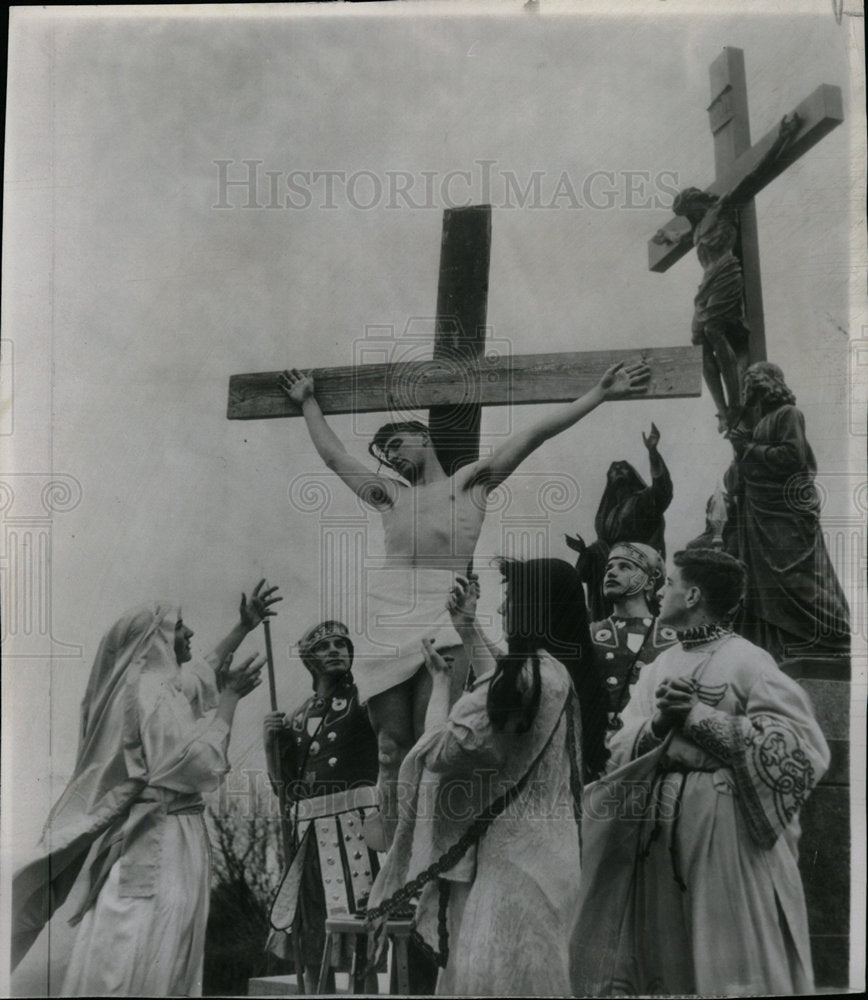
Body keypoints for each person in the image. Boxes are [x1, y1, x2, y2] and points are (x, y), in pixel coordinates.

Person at [280, 360, 649, 845]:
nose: (391, 455)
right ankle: (393, 853)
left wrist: (600, 392)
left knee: (434, 737)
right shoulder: (389, 496)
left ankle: (430, 848)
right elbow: (334, 457)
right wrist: (308, 401)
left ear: (422, 437)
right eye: (384, 451)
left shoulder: (470, 484)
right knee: (390, 748)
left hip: (444, 609)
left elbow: (534, 433)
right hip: (389, 611)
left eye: (396, 443)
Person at [572, 548, 829, 996]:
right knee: (668, 956)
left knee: (725, 950)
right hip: (658, 830)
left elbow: (801, 750)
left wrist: (696, 716)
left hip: (725, 827)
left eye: (669, 583)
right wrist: (657, 725)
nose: (662, 590)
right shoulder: (660, 665)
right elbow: (619, 745)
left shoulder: (748, 662)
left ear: (691, 595)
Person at [12, 581, 281, 996]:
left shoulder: (153, 687)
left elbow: (197, 678)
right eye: (180, 628)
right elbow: (194, 765)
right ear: (155, 640)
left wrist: (242, 627)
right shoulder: (151, 694)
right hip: (161, 838)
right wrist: (229, 699)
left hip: (164, 833)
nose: (190, 635)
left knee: (143, 936)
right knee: (143, 937)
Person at [366, 558, 605, 996]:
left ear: (533, 608)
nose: (505, 609)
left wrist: (440, 685)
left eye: (511, 599)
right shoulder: (552, 672)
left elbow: (439, 752)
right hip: (549, 860)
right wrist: (468, 628)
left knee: (493, 985)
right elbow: (502, 685)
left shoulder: (526, 681)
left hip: (512, 871)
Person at [263, 620, 380, 992]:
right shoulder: (298, 716)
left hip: (357, 830)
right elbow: (286, 790)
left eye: (340, 644)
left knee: (363, 930)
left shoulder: (366, 700)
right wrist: (272, 743)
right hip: (310, 836)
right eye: (324, 646)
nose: (334, 651)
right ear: (309, 660)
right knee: (311, 932)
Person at [727, 361, 850, 662]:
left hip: (785, 515)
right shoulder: (755, 425)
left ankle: (831, 636)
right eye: (747, 385)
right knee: (766, 586)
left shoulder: (788, 415)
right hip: (759, 516)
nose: (749, 389)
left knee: (797, 578)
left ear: (771, 384)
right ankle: (780, 646)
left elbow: (792, 457)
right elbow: (735, 480)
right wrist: (739, 453)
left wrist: (750, 448)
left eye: (755, 382)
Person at [567, 422, 672, 620]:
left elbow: (663, 491)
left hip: (635, 568)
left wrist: (653, 453)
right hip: (606, 574)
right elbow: (603, 545)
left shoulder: (642, 501)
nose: (617, 471)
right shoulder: (608, 511)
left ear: (631, 474)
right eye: (613, 470)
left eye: (622, 468)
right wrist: (585, 551)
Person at [589, 542, 677, 728]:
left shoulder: (674, 638)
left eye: (625, 567)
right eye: (609, 568)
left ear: (650, 582)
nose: (611, 573)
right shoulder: (590, 633)